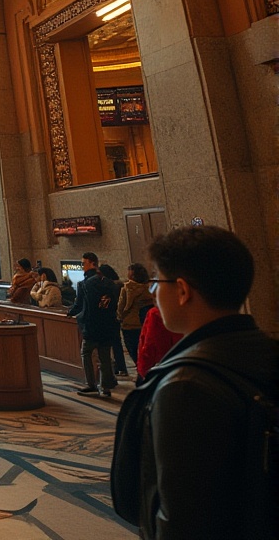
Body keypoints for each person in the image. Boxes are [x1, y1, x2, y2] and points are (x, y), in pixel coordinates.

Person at [111, 226, 278, 538]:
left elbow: (183, 521)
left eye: (157, 283)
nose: (154, 294)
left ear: (183, 290)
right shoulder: (266, 352)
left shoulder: (184, 386)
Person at [69, 252, 119, 397]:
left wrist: (70, 313)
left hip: (90, 325)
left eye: (83, 263)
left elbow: (78, 306)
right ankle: (106, 387)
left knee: (86, 353)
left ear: (92, 263)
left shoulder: (84, 284)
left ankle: (91, 384)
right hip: (107, 324)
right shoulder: (109, 283)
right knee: (104, 356)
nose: (82, 267)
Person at [116, 263, 152, 374]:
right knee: (145, 351)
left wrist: (120, 317)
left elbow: (121, 307)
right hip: (144, 323)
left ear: (132, 274)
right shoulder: (149, 288)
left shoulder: (127, 288)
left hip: (129, 324)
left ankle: (140, 372)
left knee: (133, 352)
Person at [134, 305, 182, 382]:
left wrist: (143, 370)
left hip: (162, 368)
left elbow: (149, 345)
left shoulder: (156, 314)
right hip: (187, 366)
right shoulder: (196, 312)